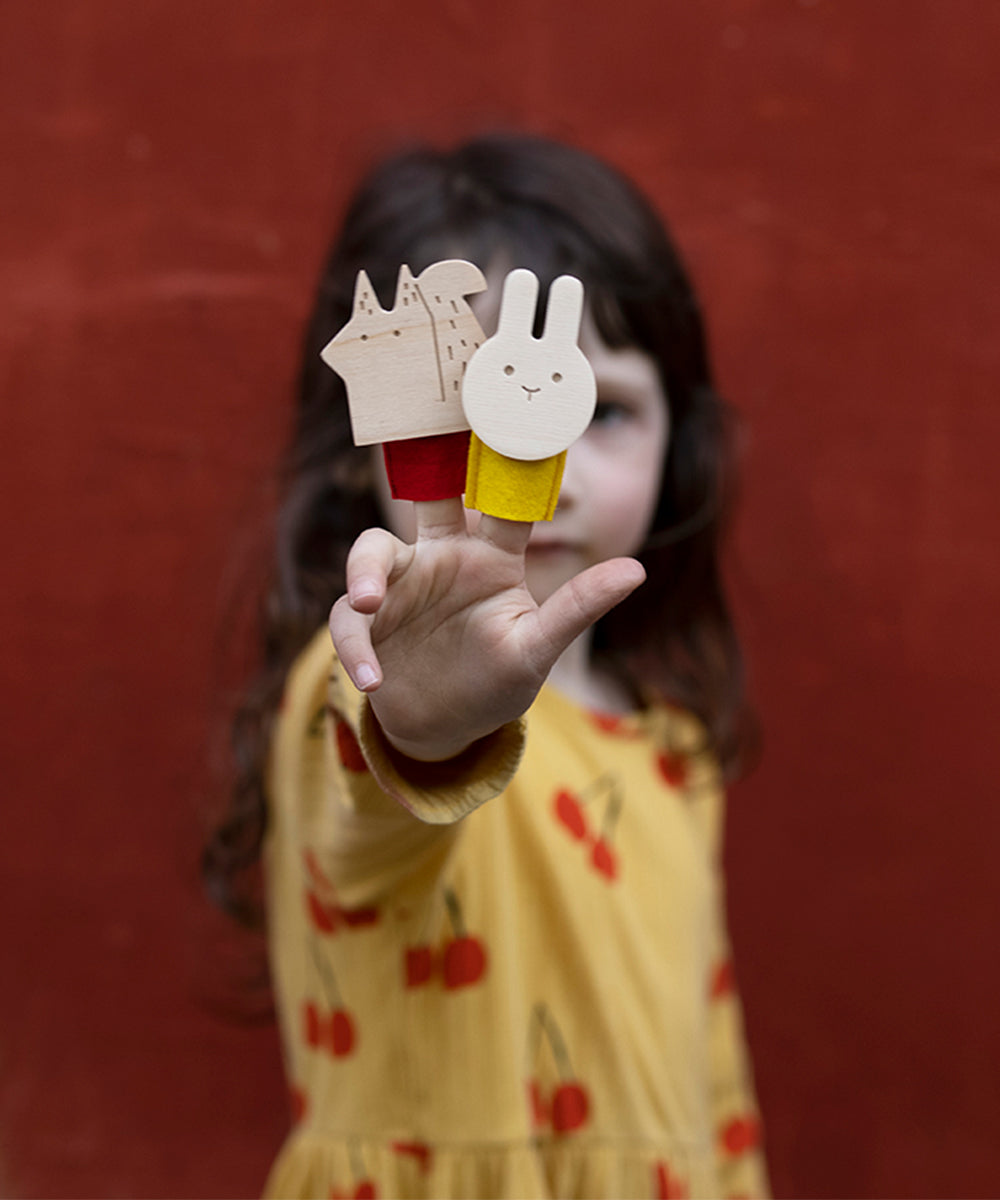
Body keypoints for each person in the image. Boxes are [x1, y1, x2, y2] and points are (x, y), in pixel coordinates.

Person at [204, 133, 770, 1199]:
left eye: (595, 410)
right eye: (469, 412)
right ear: (357, 441)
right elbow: (370, 795)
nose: (542, 474)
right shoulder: (352, 688)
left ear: (676, 441)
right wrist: (416, 724)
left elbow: (714, 1080)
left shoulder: (672, 749)